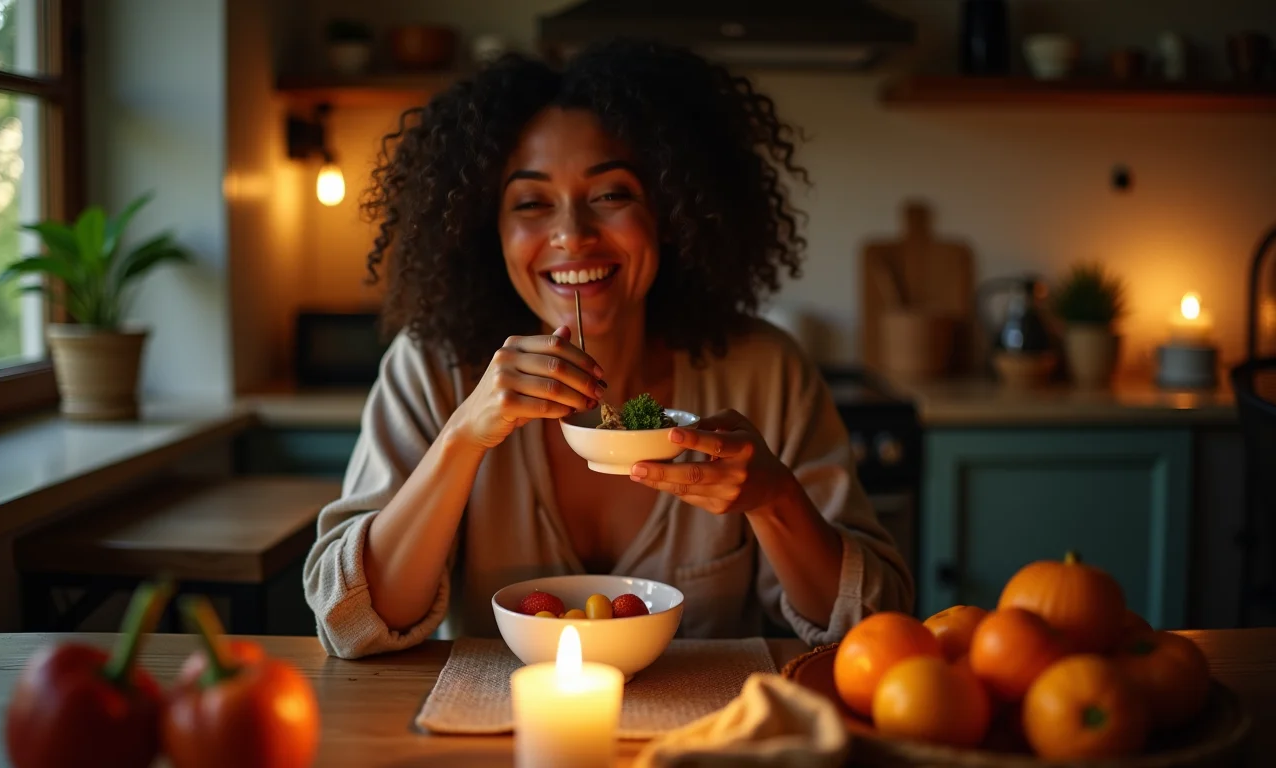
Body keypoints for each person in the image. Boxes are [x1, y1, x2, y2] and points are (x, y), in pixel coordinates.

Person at [304, 38, 914, 659]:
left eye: (611, 194)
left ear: (672, 213)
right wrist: (463, 436)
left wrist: (775, 501)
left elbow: (876, 625)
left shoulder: (766, 372)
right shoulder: (433, 367)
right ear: (489, 232)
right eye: (532, 202)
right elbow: (348, 625)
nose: (572, 233)